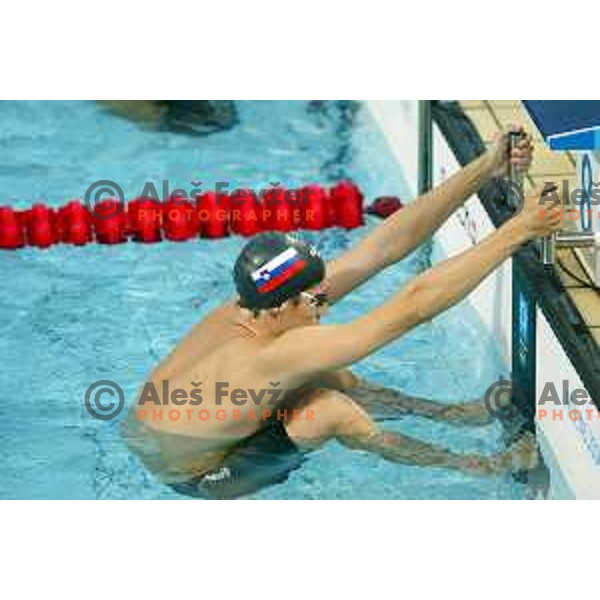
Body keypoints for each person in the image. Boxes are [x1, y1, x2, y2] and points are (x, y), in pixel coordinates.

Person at [122, 127, 562, 499]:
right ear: (279, 307)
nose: (320, 301)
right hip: (196, 475)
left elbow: (379, 249)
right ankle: (482, 466)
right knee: (330, 407)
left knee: (332, 374)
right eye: (310, 299)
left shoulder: (256, 305)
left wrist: (486, 166)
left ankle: (453, 415)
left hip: (162, 431)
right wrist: (518, 230)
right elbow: (412, 307)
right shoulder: (273, 353)